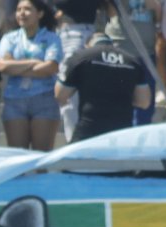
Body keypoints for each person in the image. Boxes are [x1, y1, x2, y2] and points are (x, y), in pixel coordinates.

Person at [55, 32, 150, 141]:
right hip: (121, 132)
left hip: (88, 129)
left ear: (88, 45)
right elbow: (144, 102)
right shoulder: (132, 61)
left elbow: (60, 94)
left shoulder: (81, 57)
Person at [0, 0, 62, 150]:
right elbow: (3, 66)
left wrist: (17, 65)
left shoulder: (52, 38)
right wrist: (34, 62)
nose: (21, 13)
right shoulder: (9, 38)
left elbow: (50, 67)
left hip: (44, 98)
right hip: (14, 100)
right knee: (17, 158)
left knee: (41, 157)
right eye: (18, 9)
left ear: (39, 13)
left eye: (27, 9)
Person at [104, 0, 162, 127]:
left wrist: (156, 8)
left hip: (146, 54)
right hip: (119, 52)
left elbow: (159, 22)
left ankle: (140, 140)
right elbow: (110, 13)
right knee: (117, 101)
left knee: (145, 106)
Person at [53, 0, 100, 140]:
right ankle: (73, 140)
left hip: (78, 34)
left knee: (70, 94)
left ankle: (74, 143)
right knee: (67, 96)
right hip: (64, 32)